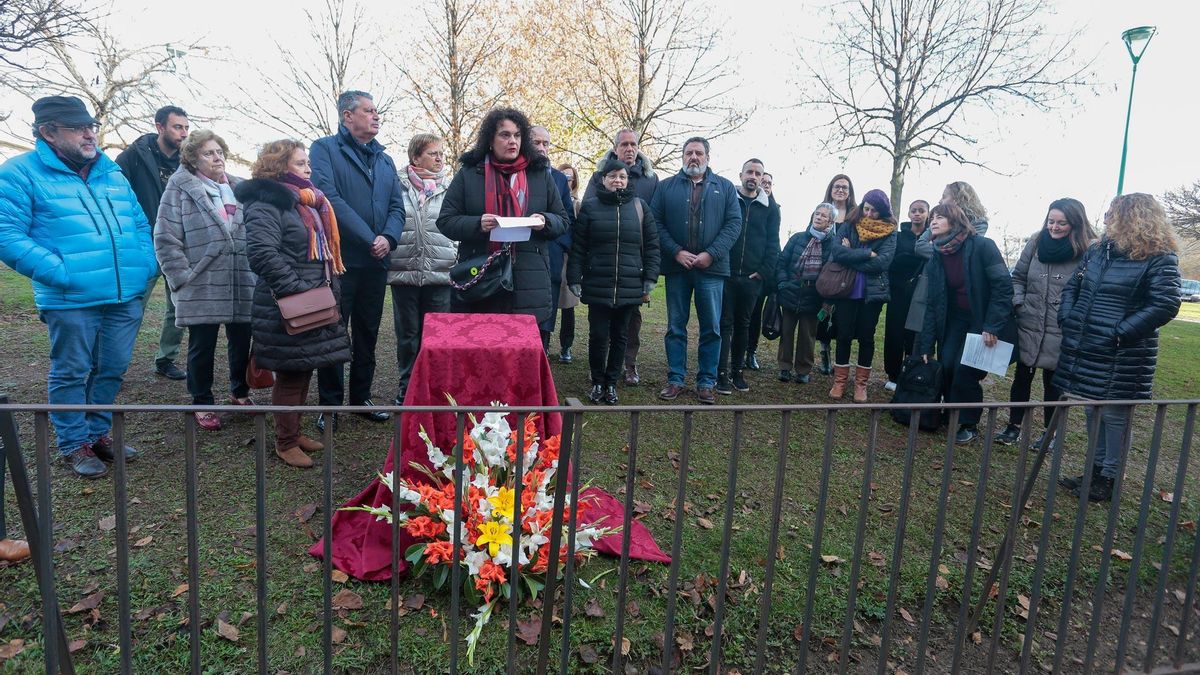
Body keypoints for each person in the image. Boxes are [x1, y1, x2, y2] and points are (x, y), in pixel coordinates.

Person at [0, 96, 157, 478]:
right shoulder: (20, 172)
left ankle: (97, 433)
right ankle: (73, 443)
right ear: (48, 132)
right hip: (70, 298)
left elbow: (139, 223)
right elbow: (7, 233)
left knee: (112, 369)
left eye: (92, 125)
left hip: (125, 293)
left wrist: (144, 265)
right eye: (79, 127)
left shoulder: (110, 171)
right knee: (71, 371)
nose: (90, 133)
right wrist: (61, 271)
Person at [1054, 194, 1180, 502]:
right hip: (1087, 347)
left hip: (1123, 355)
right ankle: (1094, 472)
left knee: (1113, 417)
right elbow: (1074, 286)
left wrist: (1120, 334)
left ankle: (1109, 478)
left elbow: (1165, 303)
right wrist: (1068, 317)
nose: (1106, 218)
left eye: (1112, 213)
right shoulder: (1099, 251)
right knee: (1091, 410)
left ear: (1132, 217)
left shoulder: (1159, 257)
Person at [237, 140, 352, 468]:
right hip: (288, 303)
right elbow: (262, 254)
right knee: (290, 372)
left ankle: (292, 431)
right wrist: (298, 291)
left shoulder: (310, 201)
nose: (308, 169)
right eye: (301, 163)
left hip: (311, 299)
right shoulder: (267, 202)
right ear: (280, 166)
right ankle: (285, 442)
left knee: (303, 369)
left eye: (307, 163)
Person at [310, 91, 405, 433]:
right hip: (342, 260)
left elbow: (397, 206)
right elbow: (328, 198)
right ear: (348, 117)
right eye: (369, 111)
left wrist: (388, 238)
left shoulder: (385, 159)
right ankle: (330, 405)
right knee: (334, 331)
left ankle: (361, 397)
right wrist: (369, 238)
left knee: (367, 331)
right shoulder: (324, 150)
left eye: (377, 111)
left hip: (377, 262)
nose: (376, 116)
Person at [154, 130, 256, 431]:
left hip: (240, 278)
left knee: (242, 339)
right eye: (209, 153)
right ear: (192, 158)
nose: (217, 157)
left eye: (220, 152)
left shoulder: (238, 187)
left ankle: (240, 392)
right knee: (203, 343)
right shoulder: (180, 188)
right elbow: (165, 236)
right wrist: (182, 277)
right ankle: (202, 400)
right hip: (202, 280)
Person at [436, 107, 568, 324]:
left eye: (517, 135)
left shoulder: (539, 174)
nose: (512, 141)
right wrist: (477, 224)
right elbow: (446, 221)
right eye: (505, 135)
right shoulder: (469, 173)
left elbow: (562, 220)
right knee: (482, 347)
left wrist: (545, 221)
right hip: (481, 275)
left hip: (529, 277)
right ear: (490, 139)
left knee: (523, 351)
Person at [994, 198, 1097, 446]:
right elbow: (1018, 277)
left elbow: (1090, 289)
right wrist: (1019, 302)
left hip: (1062, 326)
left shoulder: (1089, 250)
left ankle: (1050, 434)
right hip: (1029, 321)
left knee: (1053, 383)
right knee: (1022, 376)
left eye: (1061, 223)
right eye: (1051, 221)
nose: (1054, 227)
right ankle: (1013, 426)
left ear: (1075, 223)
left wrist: (1072, 314)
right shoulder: (1036, 242)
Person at [652, 136, 742, 404]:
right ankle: (675, 379)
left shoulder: (724, 188)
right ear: (682, 156)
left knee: (711, 328)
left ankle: (706, 382)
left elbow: (733, 224)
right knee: (676, 326)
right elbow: (654, 222)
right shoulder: (666, 187)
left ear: (708, 157)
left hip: (711, 270)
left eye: (699, 153)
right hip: (678, 267)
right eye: (689, 152)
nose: (694, 157)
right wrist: (676, 251)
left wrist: (710, 254)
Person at [915, 203, 1014, 444]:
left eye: (940, 217)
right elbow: (932, 302)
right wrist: (926, 345)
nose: (933, 221)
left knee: (965, 369)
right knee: (948, 363)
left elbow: (1003, 288)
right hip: (955, 319)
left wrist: (992, 326)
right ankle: (952, 414)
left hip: (982, 318)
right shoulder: (937, 255)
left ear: (956, 221)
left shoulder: (982, 246)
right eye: (933, 218)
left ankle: (968, 422)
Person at [567, 158, 660, 404]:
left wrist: (650, 277)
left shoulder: (640, 207)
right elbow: (579, 247)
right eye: (613, 176)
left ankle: (611, 383)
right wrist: (574, 277)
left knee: (621, 336)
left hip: (630, 284)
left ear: (628, 181)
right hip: (598, 283)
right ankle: (597, 381)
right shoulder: (590, 207)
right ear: (603, 179)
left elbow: (652, 245)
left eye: (622, 177)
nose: (617, 181)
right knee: (598, 335)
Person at [116, 105, 190, 381]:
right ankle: (114, 367)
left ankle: (166, 359)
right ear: (160, 127)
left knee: (179, 308)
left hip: (179, 246)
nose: (183, 133)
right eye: (177, 127)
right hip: (143, 246)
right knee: (132, 308)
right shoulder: (134, 156)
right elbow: (115, 196)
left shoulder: (189, 160)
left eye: (186, 127)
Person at [584, 129, 659, 385]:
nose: (629, 148)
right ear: (615, 148)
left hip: (632, 265)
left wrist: (649, 270)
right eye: (624, 144)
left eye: (633, 144)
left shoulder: (650, 179)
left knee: (630, 322)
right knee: (600, 326)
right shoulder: (597, 178)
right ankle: (598, 371)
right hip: (603, 264)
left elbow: (652, 226)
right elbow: (587, 217)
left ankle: (628, 365)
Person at [386, 133, 456, 405]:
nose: (439, 158)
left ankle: (437, 392)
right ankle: (407, 390)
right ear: (415, 157)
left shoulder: (450, 188)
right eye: (433, 153)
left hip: (440, 272)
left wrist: (455, 254)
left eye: (441, 154)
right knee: (408, 337)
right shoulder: (396, 186)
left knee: (437, 337)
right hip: (404, 270)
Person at [716, 158, 780, 394]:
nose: (753, 177)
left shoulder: (770, 207)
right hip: (726, 274)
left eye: (758, 173)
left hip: (752, 278)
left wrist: (763, 272)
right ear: (741, 175)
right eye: (749, 172)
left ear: (762, 179)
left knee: (743, 325)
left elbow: (773, 242)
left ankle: (737, 372)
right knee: (724, 325)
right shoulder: (728, 199)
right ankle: (720, 373)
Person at [827, 189, 896, 403]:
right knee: (844, 334)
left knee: (866, 336)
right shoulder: (849, 224)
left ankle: (860, 385)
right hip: (846, 289)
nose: (868, 214)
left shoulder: (890, 232)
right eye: (866, 208)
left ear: (883, 212)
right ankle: (839, 382)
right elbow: (837, 252)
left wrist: (852, 254)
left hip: (873, 292)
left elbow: (882, 263)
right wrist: (866, 253)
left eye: (874, 211)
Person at [775, 203, 837, 384]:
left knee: (807, 335)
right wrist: (782, 283)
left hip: (814, 295)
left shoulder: (833, 245)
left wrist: (827, 299)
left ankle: (803, 369)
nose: (818, 217)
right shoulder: (797, 238)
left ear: (831, 222)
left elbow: (833, 273)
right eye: (816, 213)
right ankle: (784, 367)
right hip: (791, 291)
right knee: (786, 332)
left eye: (823, 216)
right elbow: (782, 262)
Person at [529, 126, 577, 357]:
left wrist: (561, 246)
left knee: (547, 312)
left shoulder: (558, 178)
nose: (541, 147)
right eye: (536, 142)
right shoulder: (516, 174)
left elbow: (568, 217)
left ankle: (543, 356)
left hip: (552, 255)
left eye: (545, 143)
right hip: (524, 254)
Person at [883, 199, 929, 390]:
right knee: (894, 333)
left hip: (921, 292)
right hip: (898, 290)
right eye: (914, 211)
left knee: (914, 335)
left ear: (928, 213)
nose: (917, 214)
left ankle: (910, 373)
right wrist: (915, 256)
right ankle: (893, 375)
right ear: (909, 214)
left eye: (921, 211)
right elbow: (894, 261)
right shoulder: (899, 236)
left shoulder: (932, 236)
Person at [817, 174, 857, 374]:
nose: (840, 190)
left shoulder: (855, 214)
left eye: (844, 187)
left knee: (843, 316)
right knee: (824, 313)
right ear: (830, 189)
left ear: (850, 192)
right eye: (837, 186)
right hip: (825, 268)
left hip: (847, 271)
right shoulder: (823, 210)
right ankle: (824, 351)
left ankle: (841, 360)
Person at [744, 171, 777, 371]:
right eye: (762, 181)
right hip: (740, 270)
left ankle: (751, 352)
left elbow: (774, 244)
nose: (765, 185)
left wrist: (765, 271)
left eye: (769, 183)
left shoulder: (774, 210)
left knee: (755, 315)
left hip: (760, 273)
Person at [555, 162, 582, 363]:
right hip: (552, 255)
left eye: (570, 177)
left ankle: (566, 346)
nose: (567, 180)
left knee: (568, 306)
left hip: (569, 260)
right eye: (562, 176)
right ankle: (544, 344)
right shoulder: (553, 200)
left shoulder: (578, 204)